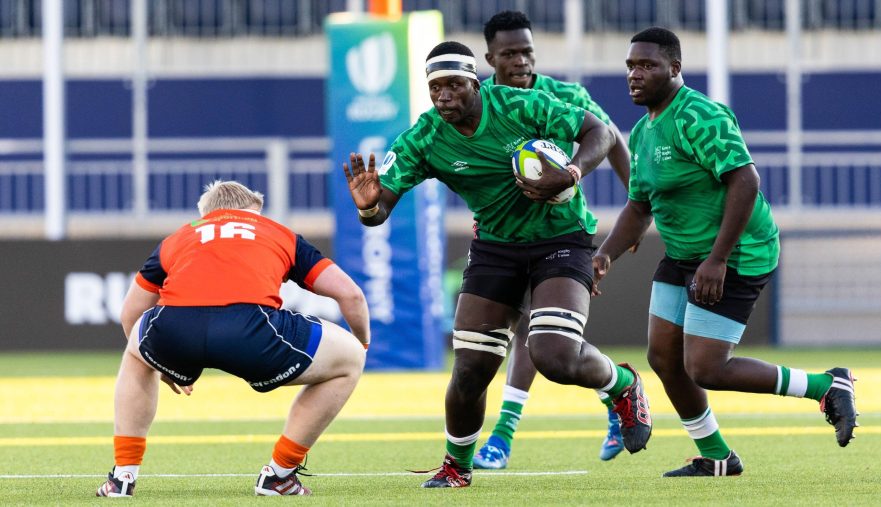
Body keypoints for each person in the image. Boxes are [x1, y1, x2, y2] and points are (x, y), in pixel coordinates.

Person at [343, 41, 652, 489]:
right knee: (469, 369)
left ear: (476, 81)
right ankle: (456, 466)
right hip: (495, 247)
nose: (444, 96)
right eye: (435, 88)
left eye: (453, 85)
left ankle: (622, 384)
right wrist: (369, 207)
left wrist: (569, 174)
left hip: (561, 238)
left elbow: (600, 133)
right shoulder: (425, 136)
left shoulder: (518, 104)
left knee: (555, 355)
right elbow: (380, 208)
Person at [593, 27, 858, 477]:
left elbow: (746, 180)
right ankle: (716, 456)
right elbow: (639, 207)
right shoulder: (640, 133)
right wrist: (604, 255)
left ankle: (825, 385)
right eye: (630, 66)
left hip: (737, 253)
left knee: (706, 368)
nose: (635, 75)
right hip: (682, 254)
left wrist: (717, 259)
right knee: (663, 358)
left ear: (674, 69)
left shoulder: (699, 116)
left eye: (647, 65)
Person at [95, 180, 369, 497]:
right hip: (252, 333)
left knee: (136, 351)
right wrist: (362, 343)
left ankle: (122, 478)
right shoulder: (277, 232)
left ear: (207, 213)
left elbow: (130, 312)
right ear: (254, 210)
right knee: (349, 360)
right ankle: (279, 475)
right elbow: (351, 296)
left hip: (176, 331)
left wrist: (157, 362)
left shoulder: (180, 236)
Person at [474, 10, 633, 470]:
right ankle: (614, 394)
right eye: (510, 54)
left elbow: (612, 138)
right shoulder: (480, 102)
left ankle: (501, 438)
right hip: (502, 237)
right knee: (512, 332)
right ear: (491, 58)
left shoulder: (564, 95)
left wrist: (638, 206)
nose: (521, 61)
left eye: (527, 52)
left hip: (561, 235)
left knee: (540, 334)